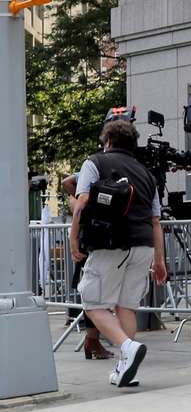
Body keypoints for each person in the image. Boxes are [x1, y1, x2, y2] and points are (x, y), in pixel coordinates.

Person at [69, 120, 168, 387]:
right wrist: (160, 260)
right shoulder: (147, 175)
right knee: (127, 306)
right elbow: (156, 221)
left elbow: (82, 204)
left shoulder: (95, 163)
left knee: (93, 303)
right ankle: (124, 368)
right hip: (144, 245)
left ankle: (127, 346)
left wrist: (73, 240)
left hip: (109, 243)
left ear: (108, 141)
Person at [62, 172, 113, 360]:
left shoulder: (92, 172)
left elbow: (67, 182)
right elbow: (67, 181)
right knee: (97, 292)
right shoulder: (93, 169)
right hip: (92, 240)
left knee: (96, 292)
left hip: (90, 238)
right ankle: (92, 340)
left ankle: (92, 340)